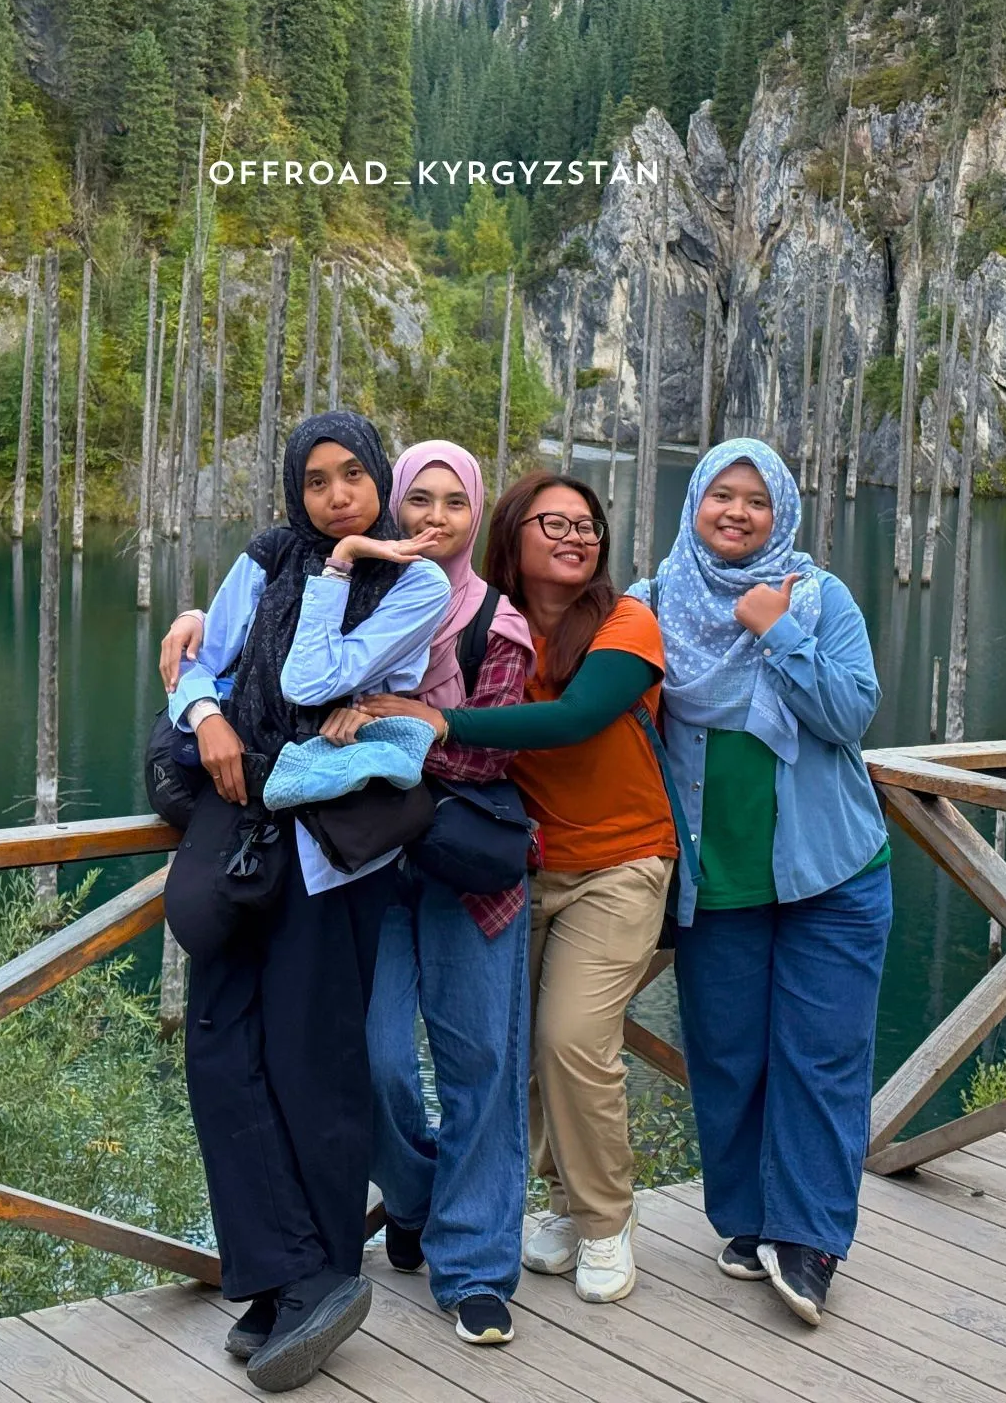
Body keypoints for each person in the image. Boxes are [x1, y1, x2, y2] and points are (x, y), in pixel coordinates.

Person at [164, 441, 537, 1347]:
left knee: (317, 1066)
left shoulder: (413, 589)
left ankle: (321, 1275)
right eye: (316, 482)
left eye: (354, 478)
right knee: (220, 1054)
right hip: (246, 826)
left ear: (379, 483)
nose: (337, 497)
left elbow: (307, 680)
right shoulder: (264, 554)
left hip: (336, 854)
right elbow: (200, 663)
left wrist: (338, 567)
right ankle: (277, 1275)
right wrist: (207, 713)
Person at [362, 471, 678, 1306]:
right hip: (524, 866)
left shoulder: (626, 621)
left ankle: (607, 1219)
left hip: (622, 863)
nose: (578, 536)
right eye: (556, 523)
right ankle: (564, 1205)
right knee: (519, 1057)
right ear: (514, 532)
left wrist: (444, 722)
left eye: (590, 525)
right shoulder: (480, 617)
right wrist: (200, 625)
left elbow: (574, 720)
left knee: (570, 1039)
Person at [636, 438, 891, 1328]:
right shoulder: (653, 603)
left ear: (781, 510)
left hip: (834, 872)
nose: (737, 513)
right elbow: (582, 678)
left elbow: (851, 714)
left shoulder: (819, 599)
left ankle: (812, 1240)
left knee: (823, 1060)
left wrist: (774, 630)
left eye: (756, 500)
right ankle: (746, 1222)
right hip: (718, 882)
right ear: (695, 503)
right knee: (729, 1060)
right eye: (721, 496)